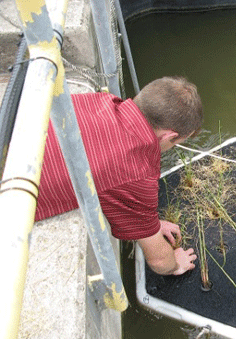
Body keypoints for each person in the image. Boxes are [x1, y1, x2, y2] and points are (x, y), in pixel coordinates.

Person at [35, 76, 202, 276]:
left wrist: (151, 226)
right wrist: (175, 264)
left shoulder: (98, 100)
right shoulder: (138, 171)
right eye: (176, 143)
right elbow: (159, 262)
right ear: (169, 136)